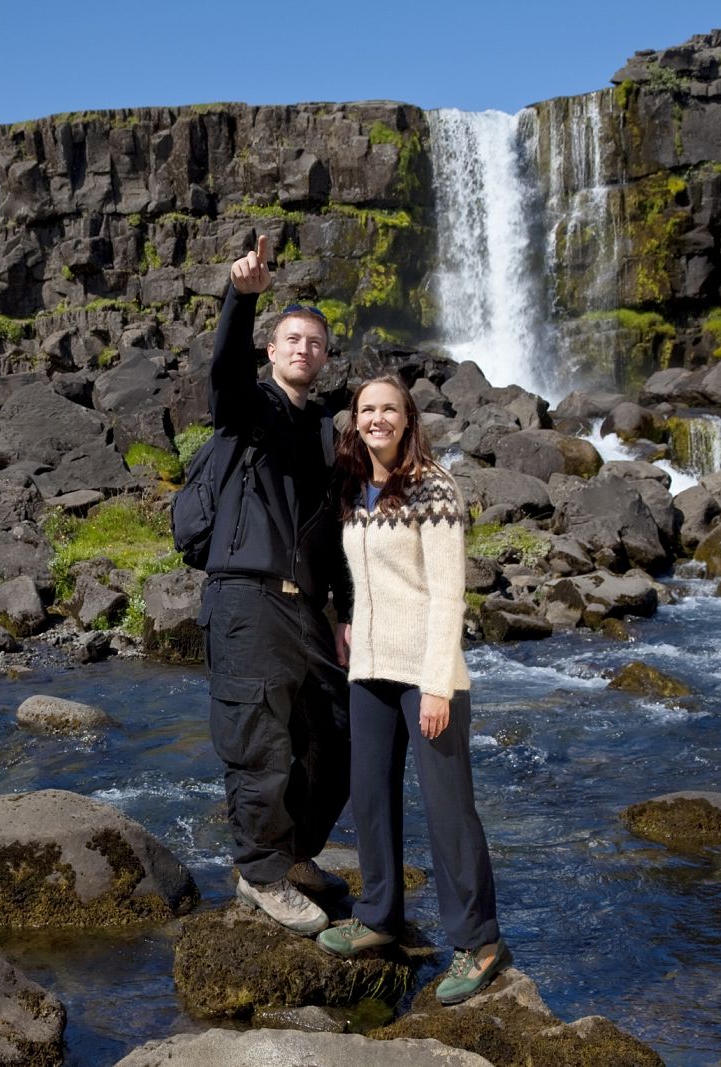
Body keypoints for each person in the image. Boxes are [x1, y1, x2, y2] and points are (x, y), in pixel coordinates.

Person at [314, 374, 512, 1005]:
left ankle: (479, 942)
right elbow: (361, 575)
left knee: (449, 809)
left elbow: (448, 593)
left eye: (388, 409)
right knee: (370, 796)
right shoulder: (351, 485)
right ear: (355, 420)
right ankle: (379, 917)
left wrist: (436, 686)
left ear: (407, 419)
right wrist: (347, 623)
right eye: (367, 409)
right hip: (369, 668)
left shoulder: (435, 487)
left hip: (428, 677)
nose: (377, 419)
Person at [201, 235, 353, 936]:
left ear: (325, 357)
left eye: (315, 342)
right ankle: (259, 873)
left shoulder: (326, 429)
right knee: (258, 738)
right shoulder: (249, 409)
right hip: (245, 593)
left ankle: (294, 854)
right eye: (291, 338)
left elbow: (338, 528)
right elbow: (224, 371)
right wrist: (242, 295)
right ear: (272, 349)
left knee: (334, 739)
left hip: (307, 606)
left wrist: (346, 610)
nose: (303, 349)